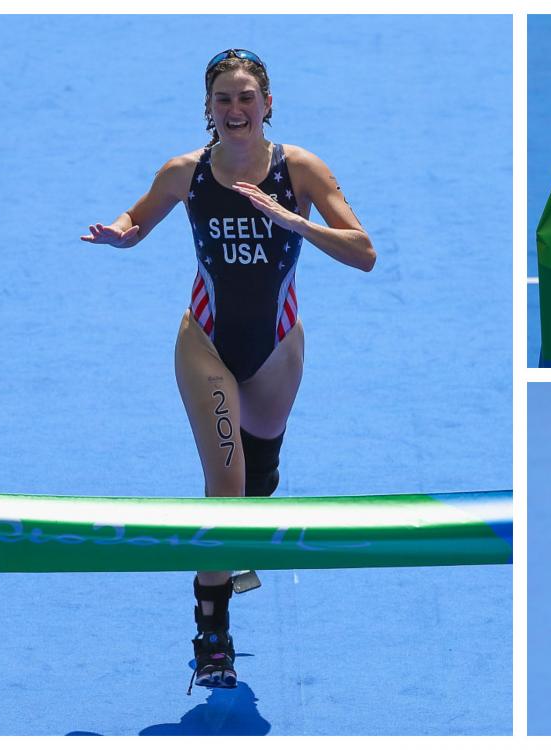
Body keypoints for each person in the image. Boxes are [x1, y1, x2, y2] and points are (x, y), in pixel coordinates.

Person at [81, 48, 376, 691]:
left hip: (277, 347)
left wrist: (291, 218)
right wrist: (119, 234)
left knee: (259, 479)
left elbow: (364, 253)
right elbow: (138, 220)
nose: (235, 110)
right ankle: (212, 635)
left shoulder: (300, 170)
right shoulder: (185, 173)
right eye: (223, 99)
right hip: (205, 343)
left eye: (246, 98)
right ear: (208, 109)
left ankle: (236, 554)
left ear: (268, 104)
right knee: (226, 487)